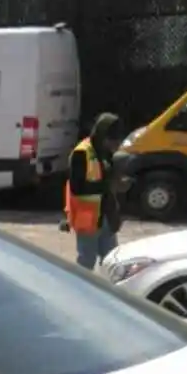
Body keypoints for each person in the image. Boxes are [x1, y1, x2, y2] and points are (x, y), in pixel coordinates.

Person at [65, 112, 124, 270]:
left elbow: (107, 178)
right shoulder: (81, 153)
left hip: (107, 215)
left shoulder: (106, 153)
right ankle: (80, 293)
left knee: (112, 262)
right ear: (103, 136)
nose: (115, 146)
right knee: (86, 263)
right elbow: (77, 188)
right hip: (88, 219)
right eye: (112, 141)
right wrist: (106, 185)